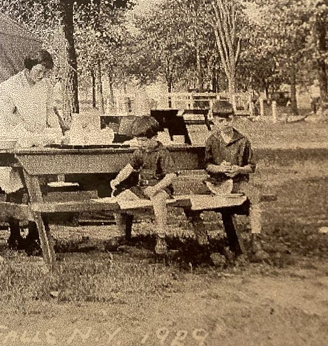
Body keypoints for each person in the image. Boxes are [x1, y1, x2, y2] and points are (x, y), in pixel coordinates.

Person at [0, 49, 68, 251]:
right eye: (39, 70)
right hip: (15, 138)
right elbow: (9, 116)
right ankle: (14, 235)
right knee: (15, 187)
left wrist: (56, 131)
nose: (42, 75)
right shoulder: (9, 86)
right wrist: (28, 128)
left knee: (39, 184)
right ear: (29, 66)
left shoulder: (46, 86)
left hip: (38, 140)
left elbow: (49, 112)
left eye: (45, 71)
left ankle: (35, 235)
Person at [192, 100, 267, 261]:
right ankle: (204, 244)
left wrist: (238, 169)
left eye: (228, 120)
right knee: (192, 203)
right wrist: (220, 168)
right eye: (220, 121)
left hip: (238, 183)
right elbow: (208, 165)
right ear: (214, 120)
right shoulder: (212, 140)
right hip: (216, 182)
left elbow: (251, 166)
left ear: (233, 119)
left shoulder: (243, 141)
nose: (225, 124)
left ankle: (256, 241)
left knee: (255, 195)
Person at [109, 115, 179, 255]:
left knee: (159, 200)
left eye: (144, 140)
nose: (141, 143)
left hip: (160, 188)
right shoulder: (139, 152)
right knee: (119, 200)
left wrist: (156, 188)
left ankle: (161, 236)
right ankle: (122, 235)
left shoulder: (162, 153)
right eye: (138, 140)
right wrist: (117, 179)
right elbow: (129, 167)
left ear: (154, 137)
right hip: (142, 188)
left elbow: (172, 175)